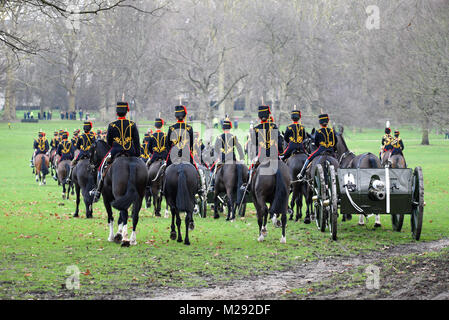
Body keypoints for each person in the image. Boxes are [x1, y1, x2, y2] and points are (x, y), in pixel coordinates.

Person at [91, 102, 141, 202]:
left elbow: (109, 142)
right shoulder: (132, 125)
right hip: (130, 152)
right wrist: (137, 154)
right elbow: (136, 141)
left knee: (101, 167)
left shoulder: (112, 125)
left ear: (117, 113)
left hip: (115, 152)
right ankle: (145, 186)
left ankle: (98, 190)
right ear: (126, 112)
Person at [166, 105, 203, 194]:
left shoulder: (171, 128)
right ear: (185, 116)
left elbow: (167, 144)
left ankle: (164, 188)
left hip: (174, 156)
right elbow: (190, 144)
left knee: (165, 171)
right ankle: (199, 187)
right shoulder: (189, 128)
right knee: (196, 170)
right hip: (186, 155)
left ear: (175, 116)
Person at [297, 114, 338, 180]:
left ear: (320, 123)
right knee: (337, 160)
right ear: (327, 122)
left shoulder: (318, 132)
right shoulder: (332, 131)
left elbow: (316, 143)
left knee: (309, 158)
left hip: (321, 150)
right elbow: (335, 141)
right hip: (331, 151)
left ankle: (301, 173)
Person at [209, 118, 244, 192]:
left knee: (212, 171)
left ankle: (212, 185)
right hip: (232, 159)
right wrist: (242, 158)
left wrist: (216, 159)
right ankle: (242, 185)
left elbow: (215, 150)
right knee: (242, 169)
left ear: (223, 128)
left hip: (222, 160)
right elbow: (239, 147)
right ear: (230, 128)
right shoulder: (233, 137)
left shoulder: (218, 137)